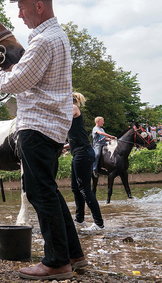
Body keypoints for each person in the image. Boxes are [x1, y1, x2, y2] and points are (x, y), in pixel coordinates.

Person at [0, 0, 85, 280]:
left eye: (23, 9)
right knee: (48, 190)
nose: (20, 16)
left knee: (39, 192)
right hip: (51, 126)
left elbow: (15, 83)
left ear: (39, 6)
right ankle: (73, 253)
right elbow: (32, 77)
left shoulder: (43, 40)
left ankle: (56, 262)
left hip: (37, 126)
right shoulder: (56, 37)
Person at [65, 93, 104, 232]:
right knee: (76, 188)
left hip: (83, 154)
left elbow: (62, 119)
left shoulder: (73, 108)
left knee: (85, 189)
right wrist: (61, 147)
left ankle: (99, 223)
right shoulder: (72, 113)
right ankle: (80, 220)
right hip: (79, 153)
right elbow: (74, 140)